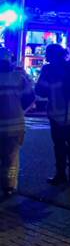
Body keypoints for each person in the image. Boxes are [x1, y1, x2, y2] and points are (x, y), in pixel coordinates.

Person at [35, 44, 70, 186]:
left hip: (57, 114)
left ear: (51, 55)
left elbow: (40, 90)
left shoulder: (48, 69)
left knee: (59, 145)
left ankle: (60, 174)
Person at [1, 48, 35, 197]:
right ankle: (9, 187)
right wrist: (19, 109)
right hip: (15, 125)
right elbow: (30, 98)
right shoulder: (19, 77)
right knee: (11, 158)